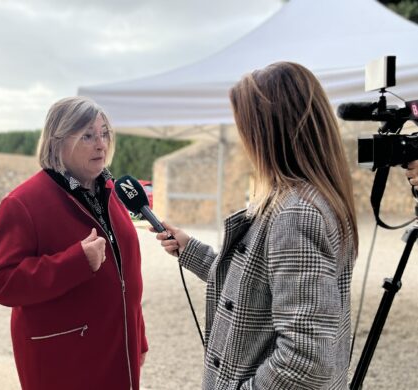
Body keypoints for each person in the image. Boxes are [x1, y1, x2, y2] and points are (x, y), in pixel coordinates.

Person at [153, 62, 358, 389]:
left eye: (246, 127)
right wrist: (190, 250)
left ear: (270, 132)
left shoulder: (296, 214)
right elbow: (255, 287)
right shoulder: (306, 198)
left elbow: (306, 360)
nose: (243, 140)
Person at [0, 96, 148, 390]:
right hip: (67, 363)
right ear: (57, 141)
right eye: (87, 135)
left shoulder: (109, 190)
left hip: (118, 349)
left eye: (104, 133)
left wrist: (137, 334)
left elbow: (127, 275)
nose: (101, 144)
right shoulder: (23, 203)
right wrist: (75, 263)